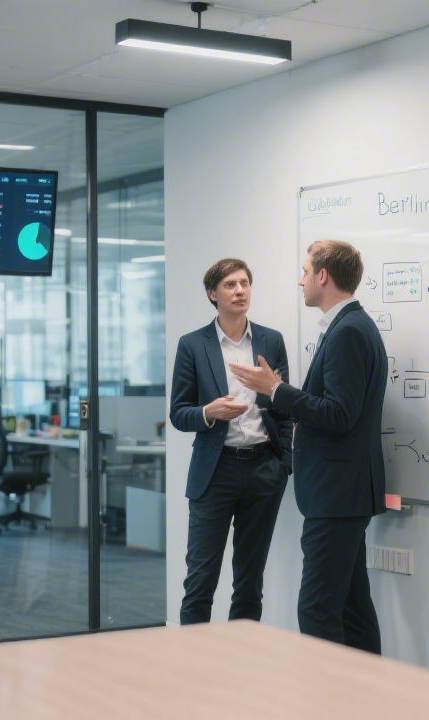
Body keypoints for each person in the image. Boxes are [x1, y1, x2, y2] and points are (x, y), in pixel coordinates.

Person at [229, 240, 387, 654]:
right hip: (345, 492)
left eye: (304, 271)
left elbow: (338, 414)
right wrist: (277, 391)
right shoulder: (350, 326)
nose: (300, 280)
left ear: (323, 276)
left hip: (336, 494)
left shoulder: (349, 331)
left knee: (316, 611)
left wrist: (277, 390)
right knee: (353, 609)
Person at [170, 258, 294, 625]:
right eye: (230, 285)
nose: (240, 291)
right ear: (213, 294)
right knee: (200, 581)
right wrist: (208, 412)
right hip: (215, 471)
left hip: (264, 471)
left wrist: (283, 463)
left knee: (249, 581)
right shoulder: (193, 345)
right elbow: (179, 413)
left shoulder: (271, 340)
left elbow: (284, 406)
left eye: (244, 283)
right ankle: (192, 671)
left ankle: (241, 669)